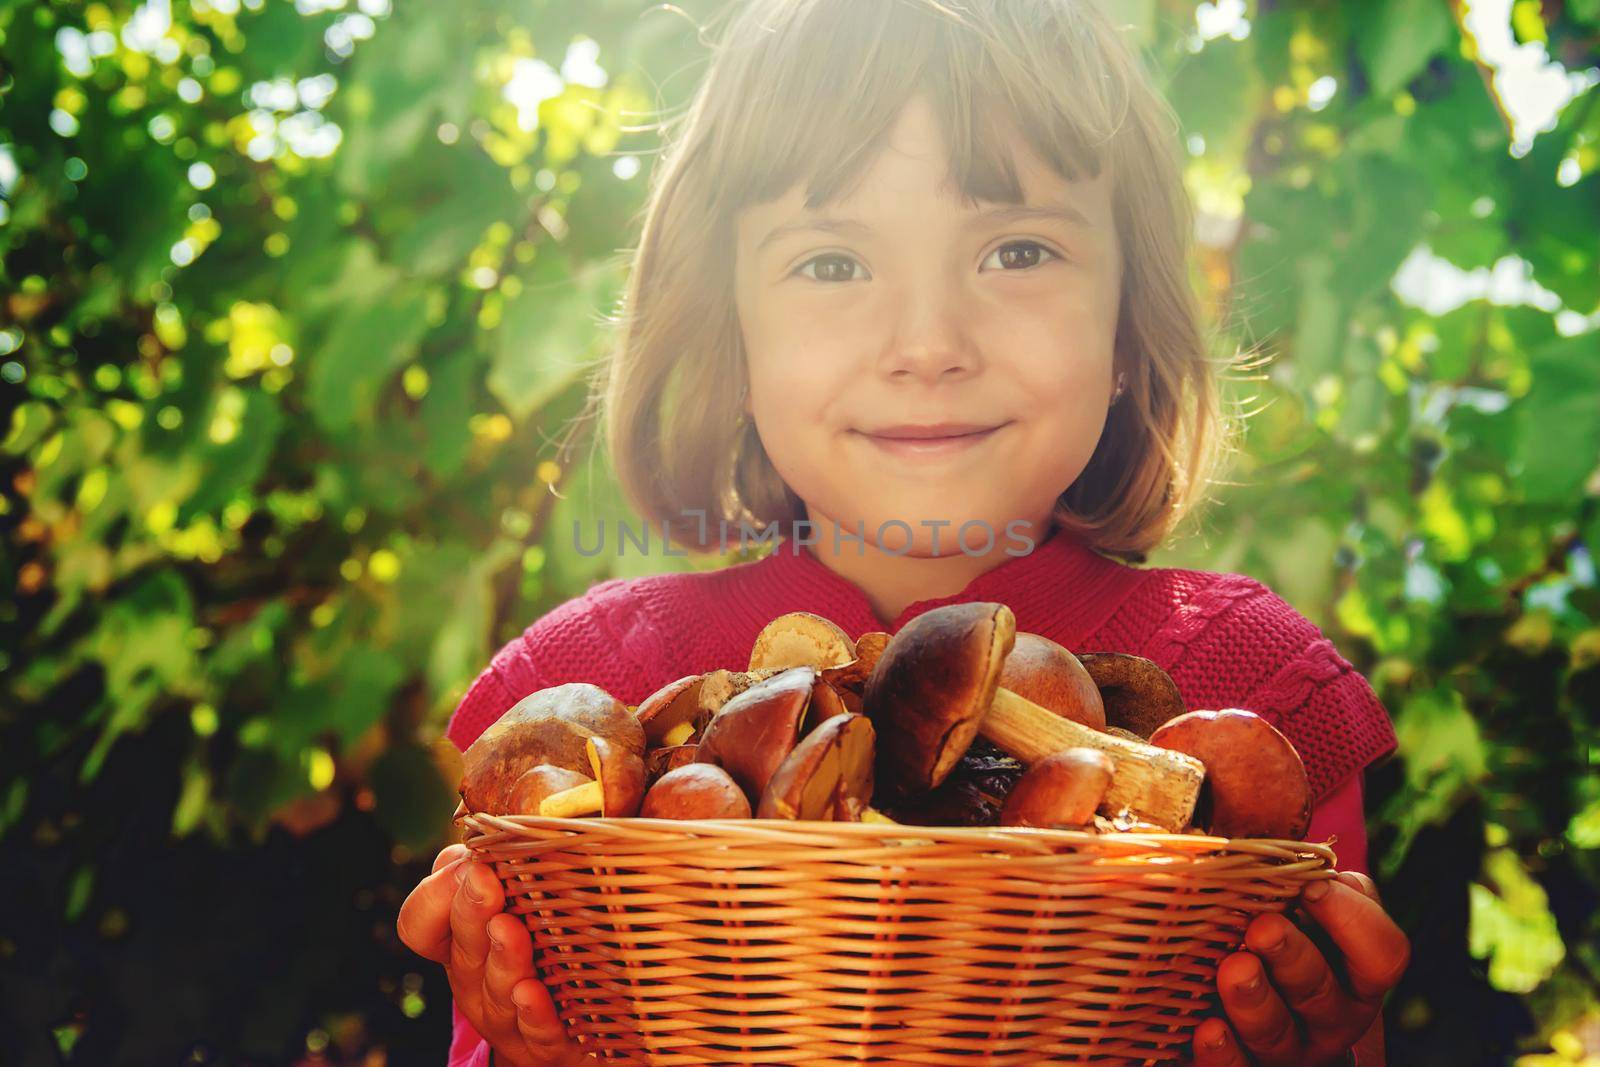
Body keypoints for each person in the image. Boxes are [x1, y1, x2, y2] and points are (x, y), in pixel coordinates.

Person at [396, 1, 1412, 1064]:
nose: (927, 343)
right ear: (727, 334)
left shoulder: (1252, 687)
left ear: (1128, 326)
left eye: (1018, 249)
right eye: (832, 263)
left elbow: (1331, 1020)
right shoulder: (587, 701)